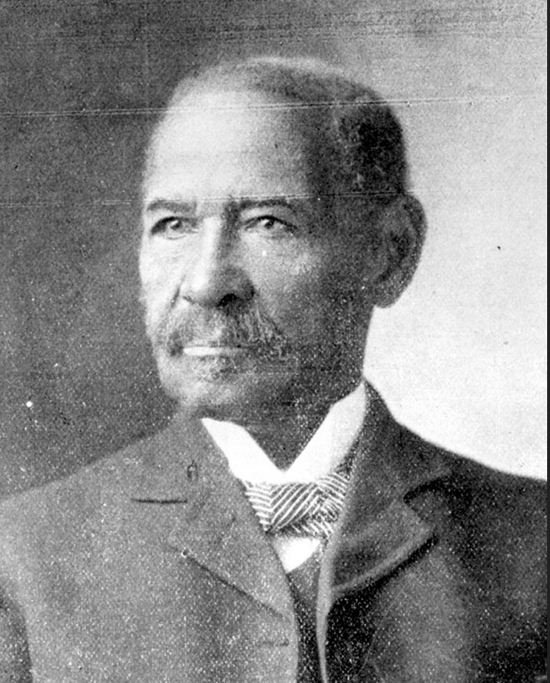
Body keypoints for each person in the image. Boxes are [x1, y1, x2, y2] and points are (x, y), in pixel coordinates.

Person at [0, 57, 545, 683]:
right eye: (173, 225)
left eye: (268, 223)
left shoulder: (533, 544)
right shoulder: (22, 557)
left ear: (390, 253)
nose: (206, 283)